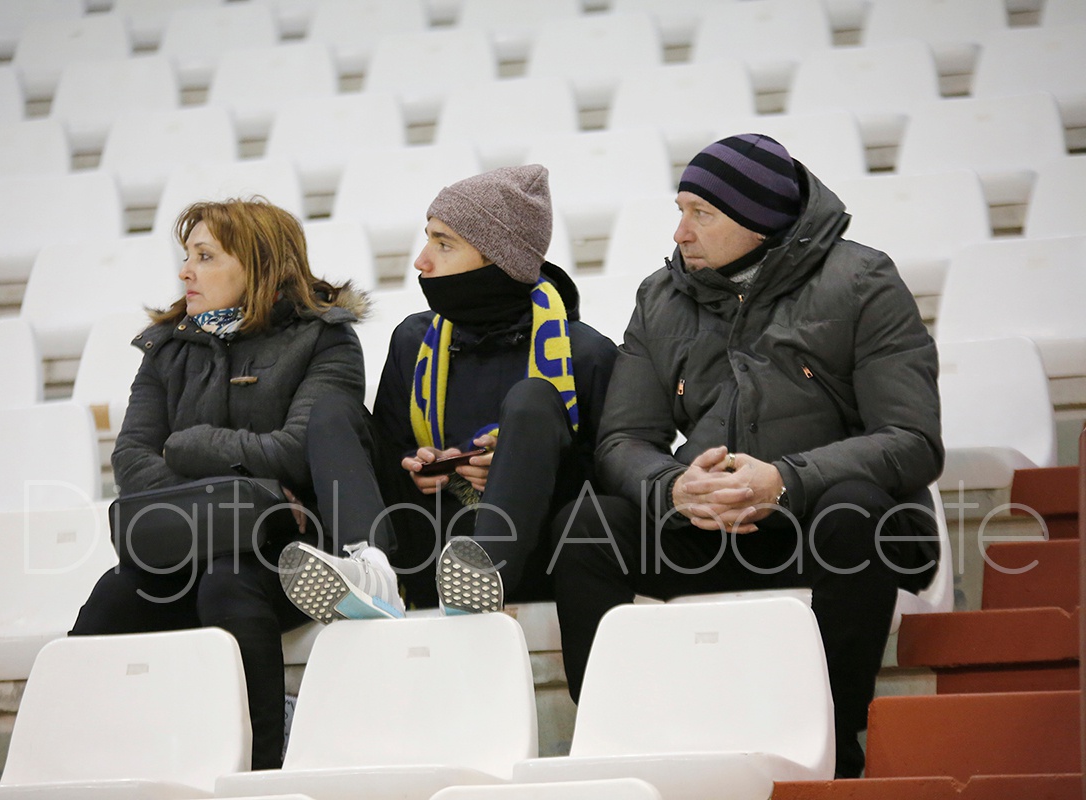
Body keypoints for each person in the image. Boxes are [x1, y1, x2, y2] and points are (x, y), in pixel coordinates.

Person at [551, 134, 943, 779]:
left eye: (701, 214)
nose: (680, 232)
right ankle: (611, 740)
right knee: (587, 526)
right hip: (706, 526)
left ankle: (834, 746)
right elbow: (623, 441)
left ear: (759, 220)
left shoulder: (862, 281)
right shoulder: (660, 297)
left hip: (824, 527)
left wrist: (786, 480)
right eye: (681, 211)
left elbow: (911, 439)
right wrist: (674, 489)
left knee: (855, 511)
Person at [70, 198, 387, 770]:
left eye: (205, 256)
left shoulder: (325, 339)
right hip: (183, 544)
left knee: (228, 583)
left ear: (258, 264)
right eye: (186, 256)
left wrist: (191, 446)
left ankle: (262, 769)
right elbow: (132, 461)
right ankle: (83, 768)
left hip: (284, 547)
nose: (185, 272)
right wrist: (245, 485)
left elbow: (297, 450)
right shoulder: (166, 347)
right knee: (112, 598)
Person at [277, 165, 618, 620]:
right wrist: (418, 465)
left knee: (532, 400)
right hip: (425, 546)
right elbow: (391, 454)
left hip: (536, 551)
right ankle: (371, 570)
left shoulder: (586, 352)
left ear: (500, 259)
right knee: (333, 409)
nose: (421, 261)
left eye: (443, 244)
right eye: (428, 240)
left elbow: (608, 484)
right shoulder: (413, 340)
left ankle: (484, 572)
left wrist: (519, 463)